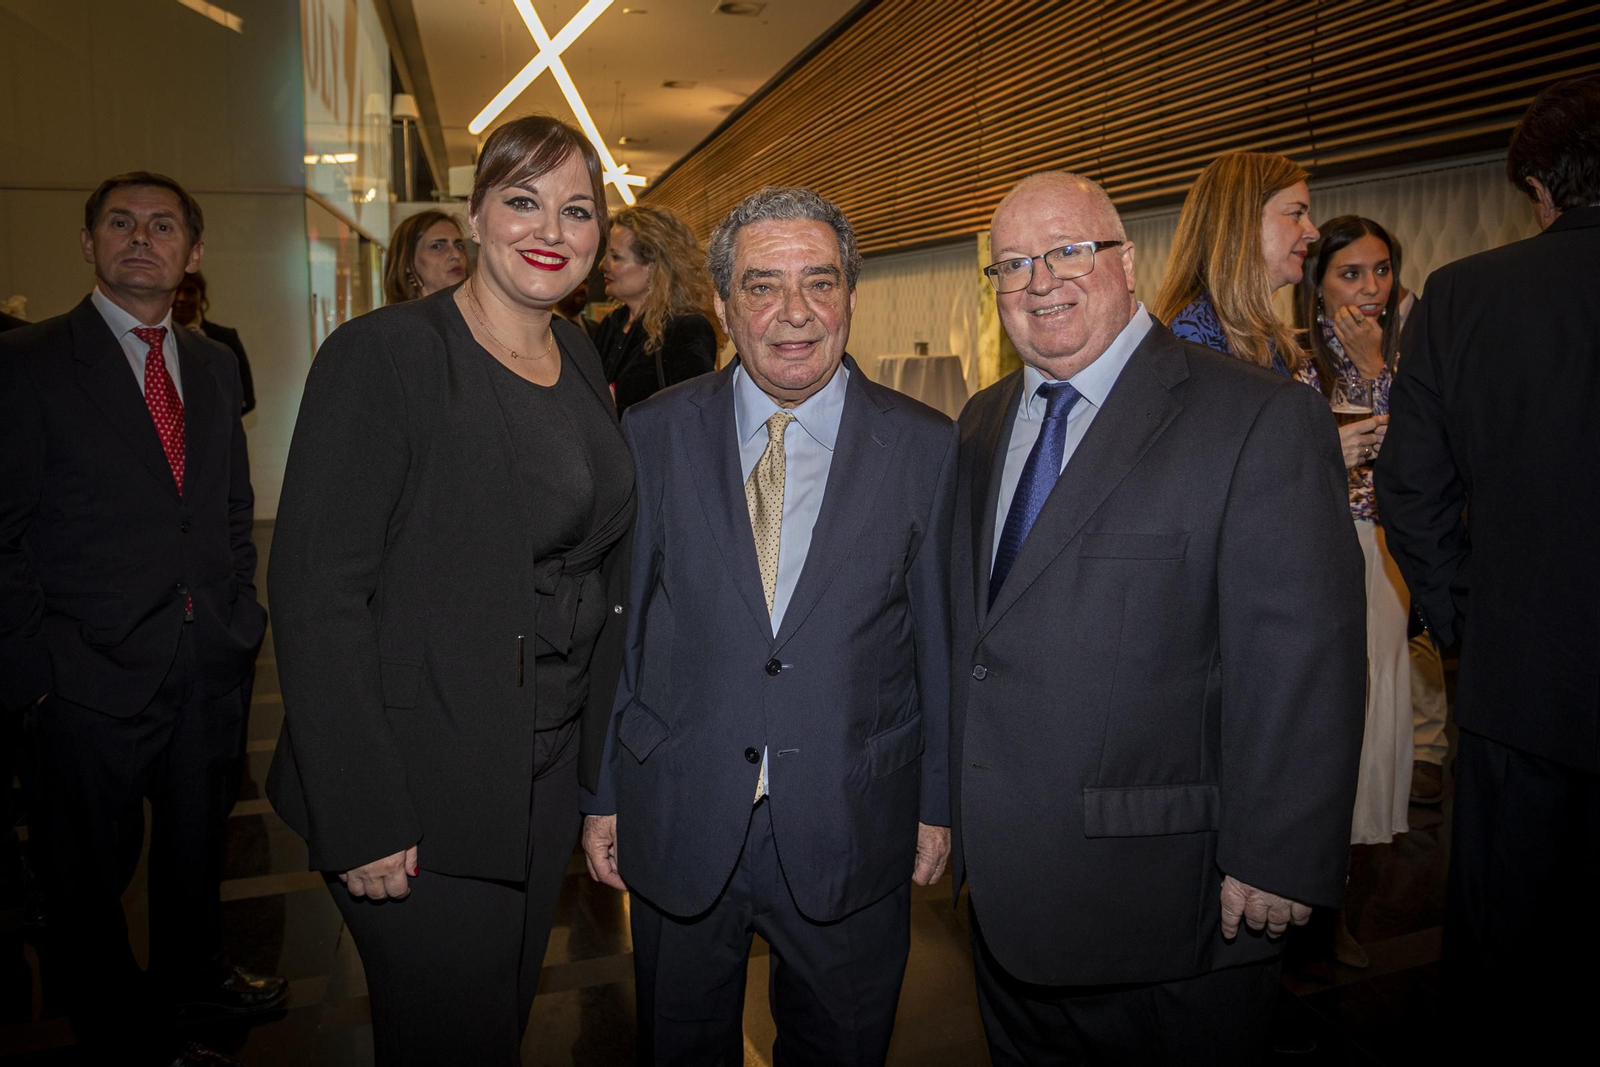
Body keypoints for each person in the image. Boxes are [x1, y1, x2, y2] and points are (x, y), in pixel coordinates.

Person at [952, 171, 1365, 1064]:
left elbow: (1304, 648)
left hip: (1169, 902)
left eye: (1068, 251)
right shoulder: (983, 422)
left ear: (1127, 261)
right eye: (1012, 263)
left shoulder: (1254, 414)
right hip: (1007, 898)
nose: (1039, 280)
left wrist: (1279, 851)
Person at [265, 116, 634, 1067]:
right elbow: (317, 596)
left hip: (538, 773)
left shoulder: (580, 356)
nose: (549, 226)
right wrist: (363, 812)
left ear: (597, 238)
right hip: (419, 787)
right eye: (522, 199)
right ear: (474, 216)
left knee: (496, 1025)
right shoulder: (384, 356)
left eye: (577, 208)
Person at [580, 186, 956, 1066]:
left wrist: (936, 803)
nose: (794, 313)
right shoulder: (653, 433)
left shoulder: (927, 447)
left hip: (854, 814)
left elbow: (939, 638)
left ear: (851, 296)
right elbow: (622, 628)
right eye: (762, 285)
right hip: (680, 808)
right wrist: (604, 791)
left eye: (819, 283)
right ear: (720, 302)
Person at [0, 171, 280, 1066]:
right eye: (119, 222)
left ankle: (195, 978)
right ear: (88, 243)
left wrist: (239, 609)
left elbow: (226, 507)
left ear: (191, 255)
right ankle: (121, 1036)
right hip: (83, 675)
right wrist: (31, 678)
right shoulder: (30, 361)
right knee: (86, 885)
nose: (140, 237)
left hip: (205, 660)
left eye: (163, 226)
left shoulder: (210, 361)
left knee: (198, 850)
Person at [1375, 74, 1600, 1053]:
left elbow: (1410, 489)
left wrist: (1469, 621)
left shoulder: (1467, 293)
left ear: (1543, 183)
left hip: (1522, 686)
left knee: (1512, 956)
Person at [1298, 216, 1414, 850]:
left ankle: (1362, 856)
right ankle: (1318, 861)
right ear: (1317, 285)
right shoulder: (1289, 356)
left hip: (1388, 547)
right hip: (1321, 545)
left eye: (1382, 270)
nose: (1371, 287)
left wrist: (1374, 366)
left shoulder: (1412, 352)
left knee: (1379, 693)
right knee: (1333, 702)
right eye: (1350, 273)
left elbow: (1418, 460)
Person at [594, 202, 718, 416]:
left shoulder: (685, 330)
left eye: (615, 257)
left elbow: (695, 416)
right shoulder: (612, 324)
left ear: (653, 266)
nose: (602, 265)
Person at [173, 271, 256, 414]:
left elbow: (246, 398)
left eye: (190, 291)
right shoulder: (153, 339)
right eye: (176, 291)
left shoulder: (226, 338)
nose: (182, 298)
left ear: (202, 296)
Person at [381, 209, 468, 303]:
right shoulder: (394, 317)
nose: (457, 255)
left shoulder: (477, 315)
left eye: (459, 246)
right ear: (407, 262)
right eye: (437, 246)